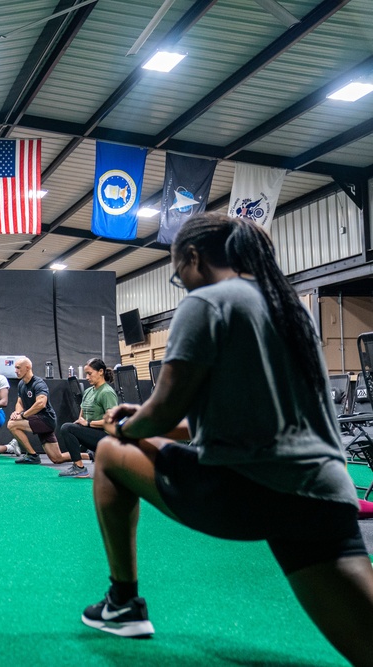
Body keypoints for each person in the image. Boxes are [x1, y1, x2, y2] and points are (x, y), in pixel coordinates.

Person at [83, 213, 373, 666]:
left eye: (179, 275)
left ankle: (123, 602)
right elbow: (214, 423)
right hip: (323, 494)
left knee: (107, 453)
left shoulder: (207, 303)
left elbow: (165, 410)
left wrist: (124, 426)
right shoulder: (286, 306)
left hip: (250, 491)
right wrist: (145, 419)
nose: (183, 284)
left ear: (194, 258)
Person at [6, 357, 72, 465]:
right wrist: (17, 412)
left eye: (18, 368)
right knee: (57, 458)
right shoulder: (21, 384)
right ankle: (90, 455)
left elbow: (41, 404)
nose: (15, 371)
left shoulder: (39, 384)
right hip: (36, 420)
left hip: (45, 420)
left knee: (12, 424)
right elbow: (20, 402)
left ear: (27, 368)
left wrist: (23, 415)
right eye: (15, 368)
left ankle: (32, 455)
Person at [57, 358, 117, 478]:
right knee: (69, 429)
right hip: (94, 433)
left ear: (100, 372)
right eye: (86, 374)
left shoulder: (106, 392)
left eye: (89, 373)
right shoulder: (89, 391)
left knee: (66, 428)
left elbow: (112, 420)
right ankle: (81, 463)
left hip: (107, 438)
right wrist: (79, 424)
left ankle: (80, 468)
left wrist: (88, 424)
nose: (87, 377)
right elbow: (82, 414)